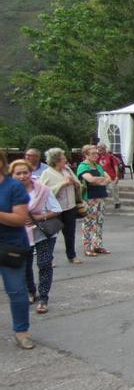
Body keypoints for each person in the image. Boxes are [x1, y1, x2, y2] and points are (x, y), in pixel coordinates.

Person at [11, 160, 59, 315]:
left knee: (44, 263)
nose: (22, 176)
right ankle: (32, 292)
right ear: (12, 175)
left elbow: (56, 210)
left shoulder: (43, 190)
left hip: (43, 233)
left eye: (25, 172)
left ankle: (43, 299)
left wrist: (39, 217)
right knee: (24, 266)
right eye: (18, 173)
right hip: (20, 234)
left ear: (31, 173)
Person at [0, 152, 33, 349]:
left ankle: (21, 332)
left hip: (10, 246)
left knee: (17, 290)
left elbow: (21, 219)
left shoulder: (14, 187)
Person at [39, 148, 81, 264]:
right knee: (52, 235)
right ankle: (49, 259)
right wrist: (62, 184)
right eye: (63, 158)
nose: (66, 160)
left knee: (70, 234)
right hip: (55, 210)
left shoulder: (67, 169)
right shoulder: (47, 173)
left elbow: (78, 183)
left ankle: (71, 256)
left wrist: (75, 183)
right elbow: (43, 192)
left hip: (70, 207)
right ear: (56, 161)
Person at [77, 144, 111, 257]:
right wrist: (100, 180)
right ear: (86, 154)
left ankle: (97, 245)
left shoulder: (98, 166)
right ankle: (87, 247)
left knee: (99, 222)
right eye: (93, 153)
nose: (96, 155)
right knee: (88, 223)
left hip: (100, 196)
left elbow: (108, 179)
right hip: (90, 198)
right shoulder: (83, 166)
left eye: (97, 153)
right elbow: (90, 179)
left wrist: (98, 180)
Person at [96, 143, 121, 209]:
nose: (99, 151)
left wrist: (116, 176)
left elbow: (115, 166)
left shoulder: (111, 157)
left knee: (114, 189)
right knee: (103, 190)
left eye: (101, 150)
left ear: (104, 149)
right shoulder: (98, 158)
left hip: (111, 176)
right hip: (102, 177)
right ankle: (103, 203)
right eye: (98, 150)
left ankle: (117, 202)